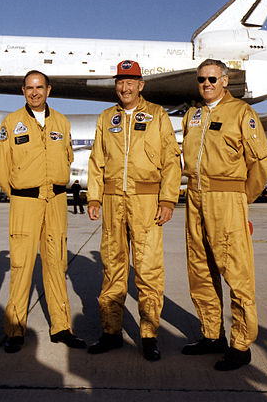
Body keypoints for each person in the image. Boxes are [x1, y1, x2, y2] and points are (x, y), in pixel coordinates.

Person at [87, 60, 181, 361]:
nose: (124, 87)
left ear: (141, 85)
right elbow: (96, 160)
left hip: (146, 202)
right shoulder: (107, 118)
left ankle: (149, 334)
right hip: (114, 201)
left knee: (148, 269)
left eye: (130, 82)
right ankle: (111, 331)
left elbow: (170, 160)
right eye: (120, 81)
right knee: (112, 267)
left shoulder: (156, 115)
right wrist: (94, 197)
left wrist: (167, 200)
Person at [181, 59, 267, 371]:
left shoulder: (242, 113)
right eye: (201, 79)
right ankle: (211, 335)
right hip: (194, 197)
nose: (206, 84)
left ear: (225, 80)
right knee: (200, 269)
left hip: (227, 197)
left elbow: (261, 163)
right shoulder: (192, 116)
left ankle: (241, 344)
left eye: (212, 79)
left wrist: (242, 199)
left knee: (236, 272)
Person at [0, 70, 86, 353]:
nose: (35, 93)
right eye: (29, 88)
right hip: (25, 202)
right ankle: (15, 329)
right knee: (21, 266)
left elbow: (67, 157)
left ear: (49, 90)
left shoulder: (62, 122)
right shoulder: (11, 123)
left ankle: (61, 327)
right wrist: (21, 194)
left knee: (56, 263)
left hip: (56, 201)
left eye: (40, 87)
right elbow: (2, 167)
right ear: (23, 90)